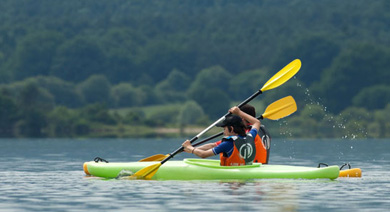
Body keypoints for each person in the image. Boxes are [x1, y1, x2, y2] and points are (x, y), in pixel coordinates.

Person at [182, 106, 260, 166]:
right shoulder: (250, 136)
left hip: (231, 182)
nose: (223, 132)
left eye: (224, 129)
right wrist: (239, 113)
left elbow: (203, 154)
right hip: (246, 172)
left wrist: (190, 148)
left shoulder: (227, 144)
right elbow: (257, 122)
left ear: (231, 129)